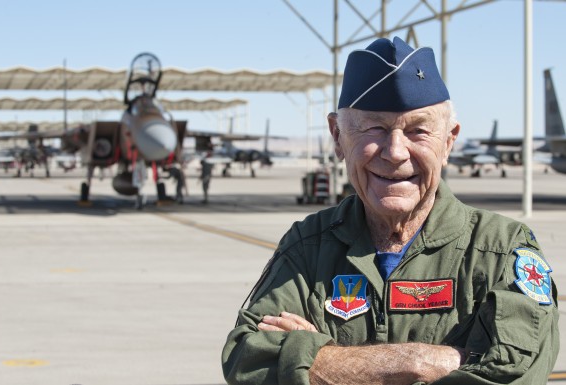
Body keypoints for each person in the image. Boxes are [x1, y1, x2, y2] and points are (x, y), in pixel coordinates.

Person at [221, 37, 559, 385]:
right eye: (374, 128)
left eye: (418, 130)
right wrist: (426, 361)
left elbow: (514, 372)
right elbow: (248, 359)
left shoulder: (500, 251)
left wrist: (317, 358)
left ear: (448, 142)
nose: (395, 151)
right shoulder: (307, 246)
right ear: (337, 136)